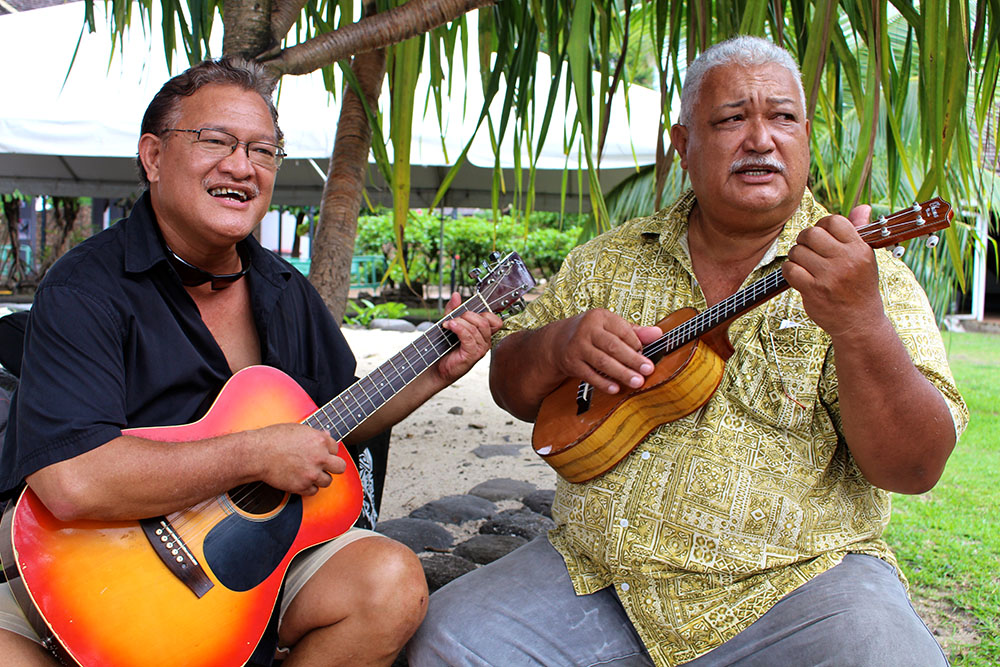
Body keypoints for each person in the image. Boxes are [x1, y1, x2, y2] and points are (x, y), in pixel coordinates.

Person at [408, 35, 968, 666]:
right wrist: (559, 345)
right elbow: (510, 386)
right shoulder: (609, 258)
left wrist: (861, 324)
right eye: (731, 118)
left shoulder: (870, 276)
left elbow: (916, 469)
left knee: (892, 658)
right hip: (600, 573)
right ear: (682, 146)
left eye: (782, 117)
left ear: (805, 136)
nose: (760, 138)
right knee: (450, 640)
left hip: (801, 586)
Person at [0, 56, 501, 666]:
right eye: (217, 141)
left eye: (263, 151)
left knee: (388, 584)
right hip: (86, 562)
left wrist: (435, 372)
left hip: (246, 559)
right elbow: (72, 480)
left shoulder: (285, 293)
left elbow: (330, 424)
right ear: (153, 157)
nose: (242, 166)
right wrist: (255, 452)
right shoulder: (84, 288)